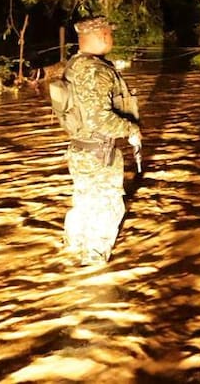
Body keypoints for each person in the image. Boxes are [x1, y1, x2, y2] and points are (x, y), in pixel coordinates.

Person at [60, 16, 141, 266]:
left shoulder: (75, 65)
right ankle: (94, 266)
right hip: (99, 152)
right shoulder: (96, 71)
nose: (111, 38)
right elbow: (99, 120)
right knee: (107, 206)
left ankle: (71, 253)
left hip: (80, 149)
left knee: (84, 200)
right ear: (103, 35)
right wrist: (131, 129)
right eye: (110, 33)